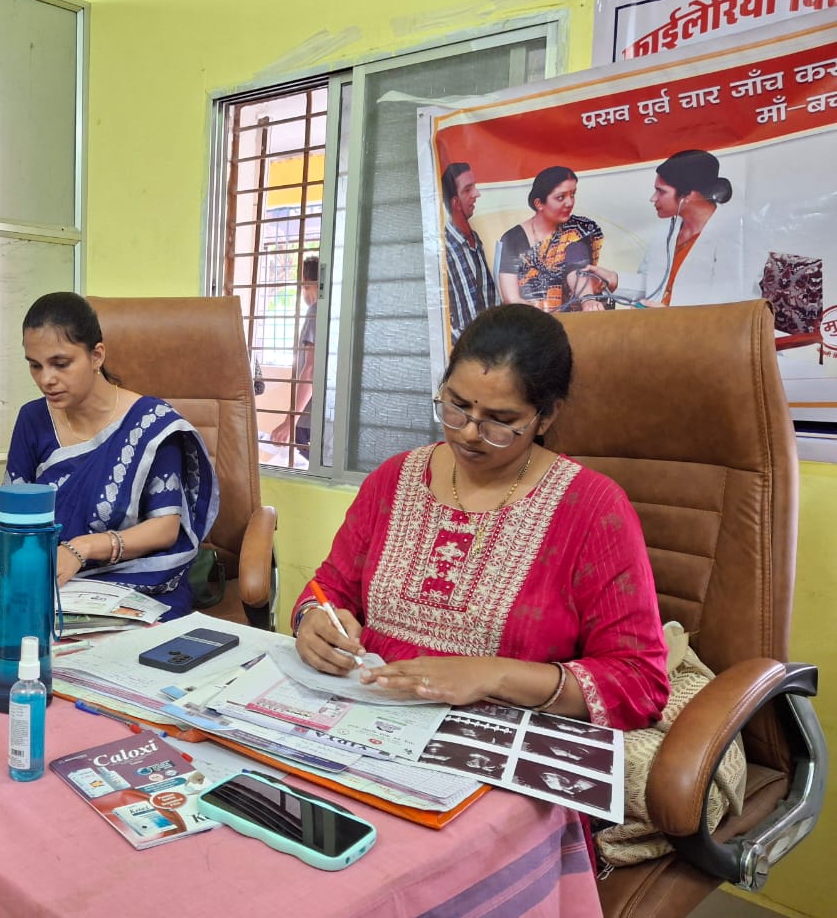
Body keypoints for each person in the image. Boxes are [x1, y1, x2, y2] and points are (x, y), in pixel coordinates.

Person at [293, 304, 668, 732]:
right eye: (456, 406)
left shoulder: (593, 508)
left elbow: (639, 681)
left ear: (546, 416)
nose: (469, 433)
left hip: (496, 737)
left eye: (501, 421)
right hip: (366, 716)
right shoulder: (394, 480)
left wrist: (493, 675)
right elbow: (330, 588)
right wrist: (312, 620)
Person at [0, 292, 218, 619]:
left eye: (61, 364)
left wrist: (82, 549)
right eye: (35, 365)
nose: (46, 379)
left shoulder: (152, 425)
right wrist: (7, 552)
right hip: (50, 583)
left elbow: (165, 527)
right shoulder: (33, 419)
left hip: (135, 585)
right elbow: (11, 511)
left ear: (96, 355)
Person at [581, 149, 739, 307]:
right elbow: (654, 286)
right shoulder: (665, 232)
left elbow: (732, 304)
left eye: (661, 192)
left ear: (688, 196)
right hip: (655, 320)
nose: (653, 198)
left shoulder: (733, 235)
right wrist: (615, 279)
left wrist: (670, 314)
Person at [496, 167, 610, 313]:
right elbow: (511, 298)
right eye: (561, 197)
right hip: (527, 319)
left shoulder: (576, 230)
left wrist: (588, 300)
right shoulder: (512, 239)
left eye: (572, 194)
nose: (569, 203)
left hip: (570, 320)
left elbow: (577, 270)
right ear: (539, 203)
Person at [441, 162, 499, 343]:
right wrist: (470, 346)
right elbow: (444, 320)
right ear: (455, 202)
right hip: (471, 350)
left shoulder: (476, 239)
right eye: (468, 189)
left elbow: (490, 299)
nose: (477, 194)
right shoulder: (444, 248)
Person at [270, 256, 319, 451]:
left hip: (308, 418)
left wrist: (290, 422)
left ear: (306, 283)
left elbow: (311, 369)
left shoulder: (316, 311)